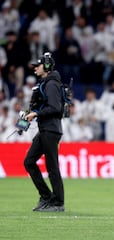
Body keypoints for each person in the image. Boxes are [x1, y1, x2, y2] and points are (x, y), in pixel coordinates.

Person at [23, 52, 65, 212]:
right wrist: (31, 113)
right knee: (29, 162)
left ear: (46, 67)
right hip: (46, 129)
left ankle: (58, 203)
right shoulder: (48, 82)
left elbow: (55, 107)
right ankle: (47, 197)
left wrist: (36, 114)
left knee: (52, 167)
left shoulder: (51, 83)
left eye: (37, 65)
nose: (35, 68)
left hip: (51, 130)